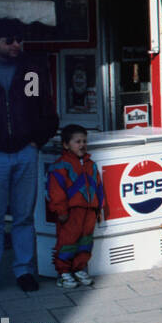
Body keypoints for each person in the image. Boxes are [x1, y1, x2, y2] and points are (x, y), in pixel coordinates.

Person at [0, 19, 59, 296]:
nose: (17, 45)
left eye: (20, 40)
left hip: (26, 152)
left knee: (23, 216)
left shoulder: (31, 70)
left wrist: (35, 140)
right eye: (10, 40)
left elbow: (43, 108)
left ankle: (24, 270)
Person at [45, 124, 105, 289]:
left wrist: (99, 208)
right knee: (67, 241)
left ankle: (79, 268)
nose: (82, 145)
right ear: (66, 145)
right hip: (71, 213)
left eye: (84, 141)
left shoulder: (91, 165)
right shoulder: (60, 166)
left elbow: (99, 188)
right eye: (77, 141)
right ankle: (63, 273)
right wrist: (61, 211)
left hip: (89, 212)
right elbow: (56, 192)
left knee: (86, 241)